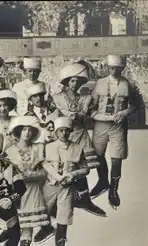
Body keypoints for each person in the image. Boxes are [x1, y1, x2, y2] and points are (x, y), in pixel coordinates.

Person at [53, 62, 106, 218]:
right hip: (64, 135)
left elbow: (88, 114)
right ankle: (63, 201)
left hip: (80, 135)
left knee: (81, 168)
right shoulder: (57, 97)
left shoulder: (85, 98)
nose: (75, 84)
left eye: (78, 81)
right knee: (63, 169)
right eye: (72, 81)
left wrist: (81, 115)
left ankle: (85, 199)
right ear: (67, 81)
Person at [89, 55, 138, 210]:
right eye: (112, 68)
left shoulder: (126, 84)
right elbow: (91, 106)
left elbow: (135, 105)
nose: (114, 70)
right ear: (107, 68)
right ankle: (103, 181)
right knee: (98, 155)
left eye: (118, 68)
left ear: (122, 68)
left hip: (118, 125)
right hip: (101, 124)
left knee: (117, 158)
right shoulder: (100, 83)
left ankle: (114, 190)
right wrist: (98, 116)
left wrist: (123, 113)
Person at [42, 117, 90, 246]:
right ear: (56, 132)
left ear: (70, 132)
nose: (63, 133)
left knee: (63, 218)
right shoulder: (48, 147)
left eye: (66, 130)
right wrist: (56, 175)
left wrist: (72, 175)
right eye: (60, 130)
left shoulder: (77, 148)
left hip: (67, 187)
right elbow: (43, 163)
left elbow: (85, 168)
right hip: (49, 185)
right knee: (40, 212)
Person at [2, 116, 49, 246]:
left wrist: (32, 175)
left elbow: (45, 171)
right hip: (16, 189)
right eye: (24, 129)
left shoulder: (38, 148)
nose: (27, 133)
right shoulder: (9, 151)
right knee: (13, 221)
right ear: (18, 131)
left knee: (28, 224)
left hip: (33, 189)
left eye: (30, 130)